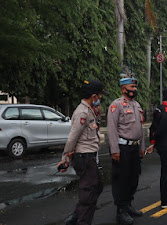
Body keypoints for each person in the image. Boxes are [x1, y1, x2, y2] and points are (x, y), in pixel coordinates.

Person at [58, 80, 107, 225]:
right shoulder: (82, 112)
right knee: (88, 193)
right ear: (93, 96)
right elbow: (73, 137)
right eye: (99, 95)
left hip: (89, 156)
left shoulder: (89, 109)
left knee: (97, 186)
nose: (100, 98)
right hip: (84, 157)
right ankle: (81, 220)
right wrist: (65, 158)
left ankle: (76, 216)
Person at [107, 77, 150, 224]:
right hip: (122, 148)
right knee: (122, 180)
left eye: (135, 87)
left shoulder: (137, 105)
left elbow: (140, 129)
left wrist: (142, 147)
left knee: (133, 178)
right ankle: (121, 211)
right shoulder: (116, 105)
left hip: (135, 147)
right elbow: (111, 129)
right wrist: (114, 150)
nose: (135, 90)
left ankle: (128, 204)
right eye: (132, 87)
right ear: (123, 89)